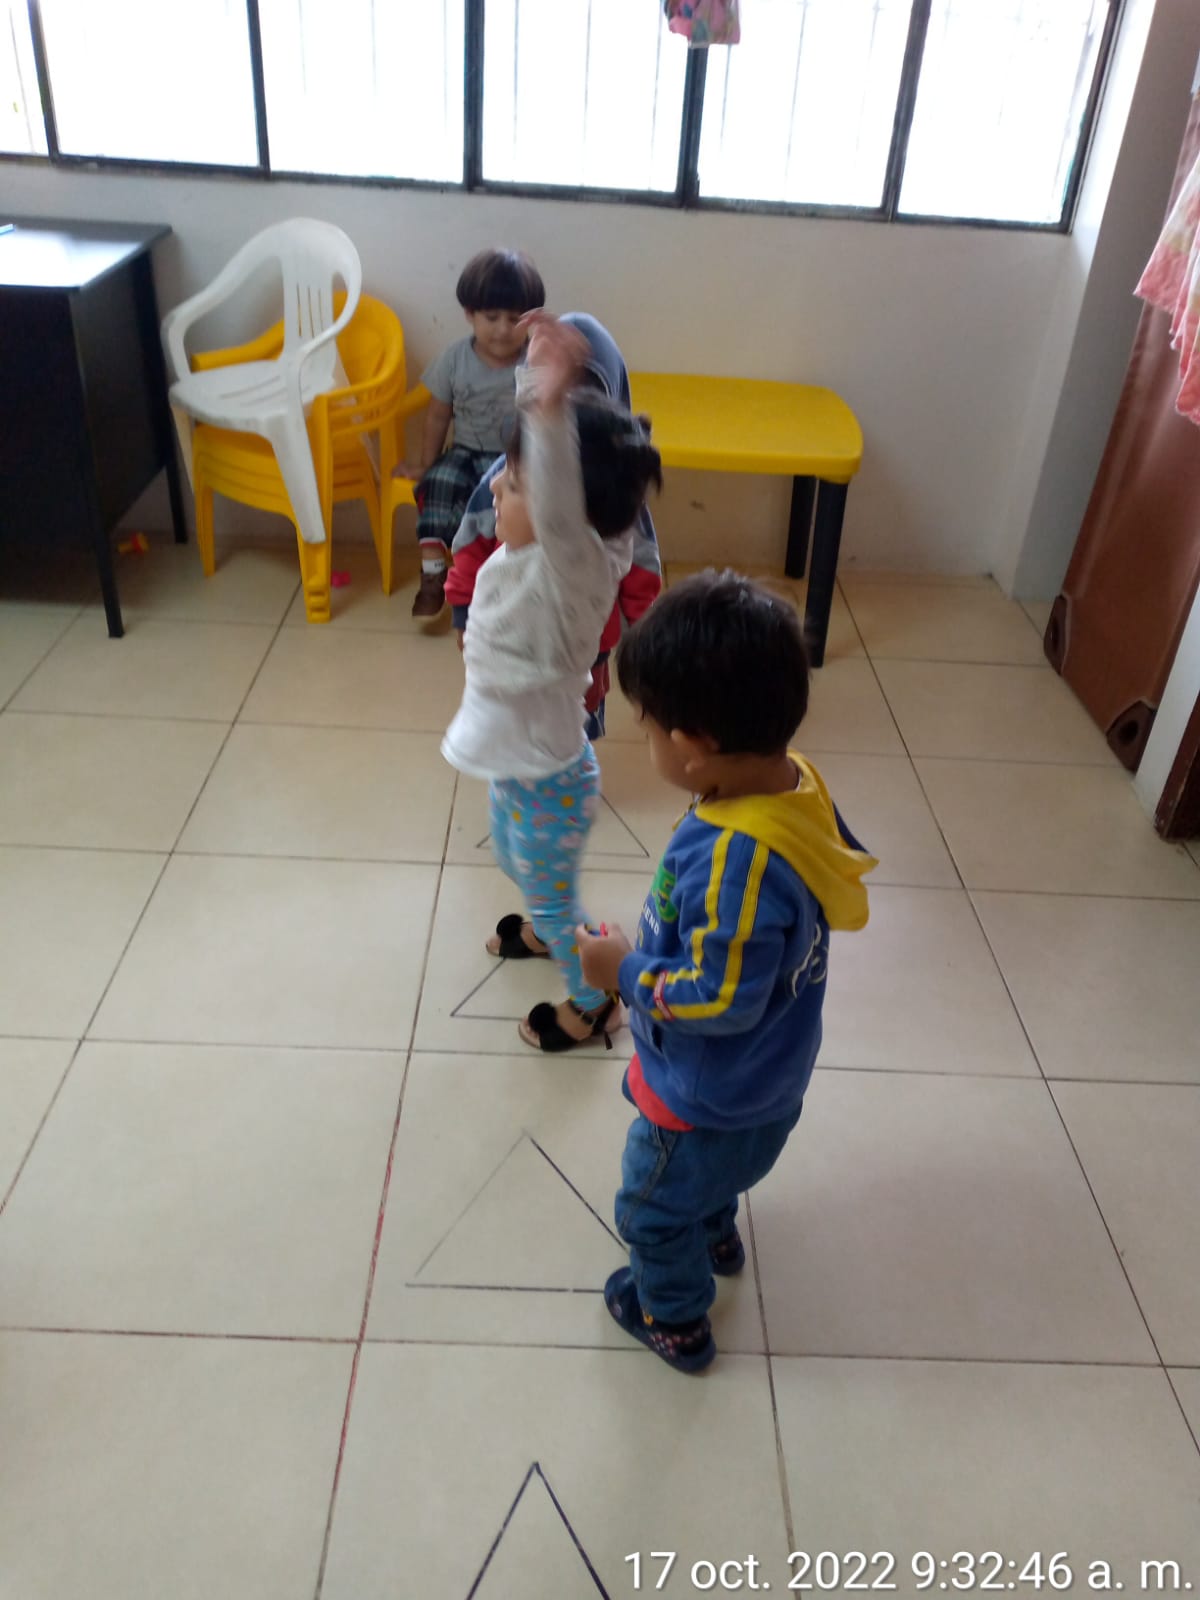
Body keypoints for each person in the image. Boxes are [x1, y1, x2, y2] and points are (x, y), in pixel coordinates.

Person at [575, 571, 877, 1371]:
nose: (647, 743)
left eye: (647, 730)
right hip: (766, 1080)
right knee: (709, 1179)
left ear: (693, 744)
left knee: (647, 1210)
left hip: (708, 1097)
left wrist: (624, 971)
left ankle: (675, 1318)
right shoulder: (791, 783)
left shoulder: (737, 860)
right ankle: (713, 1230)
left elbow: (720, 999)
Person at [441, 312, 663, 1051]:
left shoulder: (575, 565)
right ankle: (546, 922)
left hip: (549, 779)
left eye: (513, 485)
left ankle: (596, 995)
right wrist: (535, 387)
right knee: (511, 858)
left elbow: (560, 495)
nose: (495, 494)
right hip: (520, 765)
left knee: (550, 888)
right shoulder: (540, 549)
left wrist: (546, 401)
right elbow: (549, 478)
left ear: (566, 512)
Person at [444, 313, 661, 739]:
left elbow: (556, 490)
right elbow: (472, 543)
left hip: (555, 713)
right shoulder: (518, 482)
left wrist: (627, 639)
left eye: (515, 483)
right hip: (516, 708)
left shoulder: (580, 548)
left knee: (577, 738)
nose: (495, 485)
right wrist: (462, 611)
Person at [402, 248, 546, 618]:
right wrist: (426, 464)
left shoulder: (534, 362)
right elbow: (437, 417)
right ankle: (433, 574)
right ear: (470, 314)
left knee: (514, 505)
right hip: (464, 452)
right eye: (491, 317)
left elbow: (547, 419)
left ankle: (503, 580)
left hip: (514, 457)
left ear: (530, 319)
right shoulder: (454, 359)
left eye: (514, 319)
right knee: (438, 484)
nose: (502, 329)